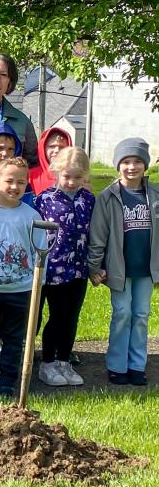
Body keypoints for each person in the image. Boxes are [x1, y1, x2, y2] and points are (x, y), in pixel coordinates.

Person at [88, 138, 159, 386]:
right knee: (122, 313)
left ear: (145, 165)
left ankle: (137, 365)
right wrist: (95, 266)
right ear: (118, 165)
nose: (132, 167)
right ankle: (117, 365)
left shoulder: (155, 194)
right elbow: (98, 235)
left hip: (147, 270)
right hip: (120, 269)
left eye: (137, 161)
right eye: (126, 162)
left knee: (141, 314)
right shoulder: (108, 197)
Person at [0, 156, 42, 398]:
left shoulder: (32, 215)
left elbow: (39, 254)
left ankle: (8, 379)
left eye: (21, 182)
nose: (14, 187)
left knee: (14, 338)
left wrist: (37, 285)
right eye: (9, 180)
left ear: (27, 184)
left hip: (20, 290)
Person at [35, 147, 93, 387]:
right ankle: (47, 362)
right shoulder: (45, 199)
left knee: (71, 318)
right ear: (56, 172)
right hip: (53, 270)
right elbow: (36, 235)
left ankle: (64, 360)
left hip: (79, 269)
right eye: (66, 176)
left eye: (77, 177)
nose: (71, 182)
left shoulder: (88, 199)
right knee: (56, 317)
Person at [29, 124, 75, 197]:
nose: (57, 150)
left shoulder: (76, 176)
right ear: (43, 149)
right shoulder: (31, 176)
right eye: (52, 146)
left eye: (62, 147)